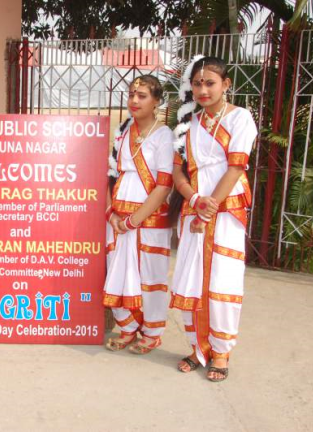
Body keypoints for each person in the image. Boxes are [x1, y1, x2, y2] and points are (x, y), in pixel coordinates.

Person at [169, 56, 257, 382]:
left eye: (210, 83)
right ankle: (198, 348)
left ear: (226, 84)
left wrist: (209, 208)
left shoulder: (240, 118)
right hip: (195, 207)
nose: (203, 90)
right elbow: (178, 172)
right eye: (197, 84)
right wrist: (194, 200)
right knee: (192, 280)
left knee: (222, 281)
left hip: (226, 209)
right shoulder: (187, 125)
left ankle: (220, 352)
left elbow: (235, 168)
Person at [103, 75, 174, 354]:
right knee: (119, 271)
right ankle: (128, 328)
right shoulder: (122, 131)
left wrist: (134, 220)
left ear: (156, 101)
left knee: (149, 275)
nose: (134, 100)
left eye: (142, 95)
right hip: (118, 218)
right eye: (132, 94)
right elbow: (111, 175)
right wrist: (112, 214)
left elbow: (164, 185)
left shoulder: (164, 135)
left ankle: (152, 333)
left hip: (148, 219)